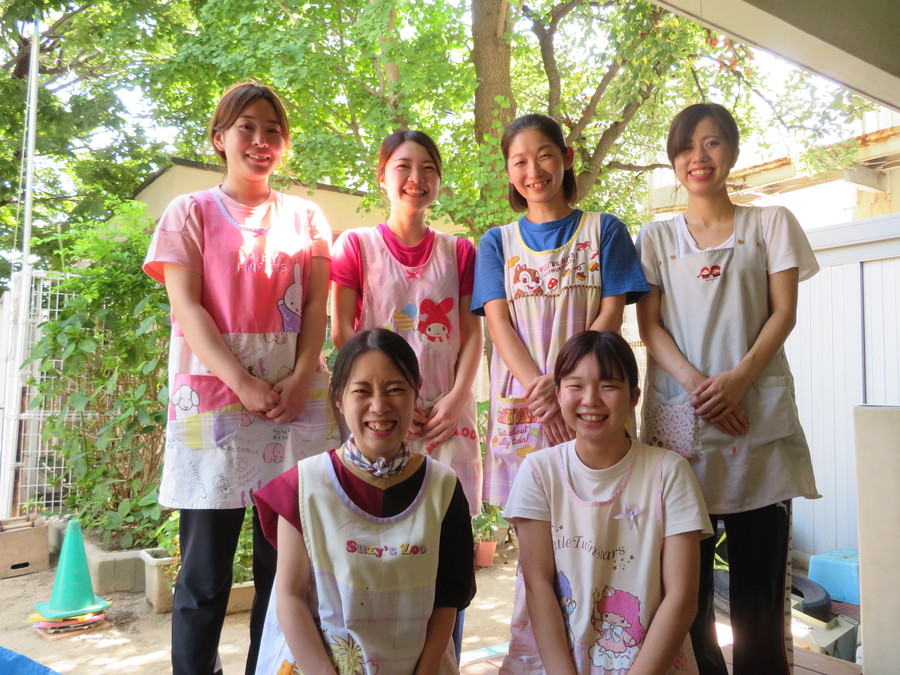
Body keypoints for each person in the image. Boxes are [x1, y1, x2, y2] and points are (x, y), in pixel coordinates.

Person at [143, 81, 338, 675]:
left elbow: (315, 308)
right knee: (204, 575)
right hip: (216, 405)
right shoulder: (189, 212)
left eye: (272, 130)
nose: (260, 140)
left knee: (285, 574)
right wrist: (243, 383)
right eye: (246, 127)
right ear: (220, 137)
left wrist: (302, 377)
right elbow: (188, 308)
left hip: (294, 406)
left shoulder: (307, 217)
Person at [635, 103, 820, 675]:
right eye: (686, 147)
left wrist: (738, 381)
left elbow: (783, 313)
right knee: (683, 594)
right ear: (673, 160)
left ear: (733, 152)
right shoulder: (656, 238)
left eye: (712, 143)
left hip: (756, 424)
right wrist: (698, 386)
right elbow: (649, 328)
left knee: (760, 595)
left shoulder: (770, 224)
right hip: (681, 420)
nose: (699, 157)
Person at [252, 328, 476, 674]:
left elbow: (448, 598)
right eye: (362, 391)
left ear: (416, 392)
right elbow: (290, 597)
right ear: (339, 399)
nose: (379, 406)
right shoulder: (303, 487)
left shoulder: (442, 489)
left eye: (395, 389)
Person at [501, 330, 712, 674]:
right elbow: (537, 583)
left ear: (633, 397)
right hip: (554, 663)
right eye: (576, 385)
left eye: (609, 386)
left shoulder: (669, 472)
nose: (591, 400)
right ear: (558, 393)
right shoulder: (539, 471)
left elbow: (682, 597)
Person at [472, 113, 649, 507]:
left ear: (567, 158)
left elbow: (610, 317)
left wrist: (565, 386)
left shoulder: (605, 230)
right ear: (508, 171)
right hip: (526, 403)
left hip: (591, 399)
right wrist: (545, 394)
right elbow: (499, 326)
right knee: (533, 519)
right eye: (519, 161)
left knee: (604, 514)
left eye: (544, 156)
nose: (533, 171)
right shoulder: (497, 242)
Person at [330, 129, 483, 516]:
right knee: (377, 523)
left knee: (447, 524)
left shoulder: (460, 251)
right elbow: (342, 333)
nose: (417, 177)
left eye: (429, 168)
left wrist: (457, 398)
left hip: (445, 414)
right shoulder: (356, 245)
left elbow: (471, 335)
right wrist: (395, 401)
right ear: (382, 176)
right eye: (404, 167)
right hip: (380, 410)